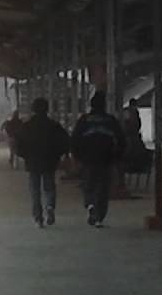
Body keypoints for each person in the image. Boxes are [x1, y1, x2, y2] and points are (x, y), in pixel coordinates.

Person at [71, 91, 127, 227]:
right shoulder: (111, 121)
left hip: (87, 158)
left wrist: (77, 156)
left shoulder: (84, 120)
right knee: (103, 187)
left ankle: (90, 204)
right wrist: (117, 156)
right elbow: (121, 140)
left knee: (88, 184)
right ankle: (99, 217)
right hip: (106, 159)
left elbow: (75, 140)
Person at [18, 97, 70, 228]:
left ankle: (38, 218)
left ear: (33, 109)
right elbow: (65, 141)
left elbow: (19, 145)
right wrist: (59, 155)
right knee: (49, 187)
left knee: (35, 190)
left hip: (33, 163)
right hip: (49, 161)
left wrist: (26, 156)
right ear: (47, 109)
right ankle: (50, 206)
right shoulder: (54, 125)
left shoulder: (27, 126)